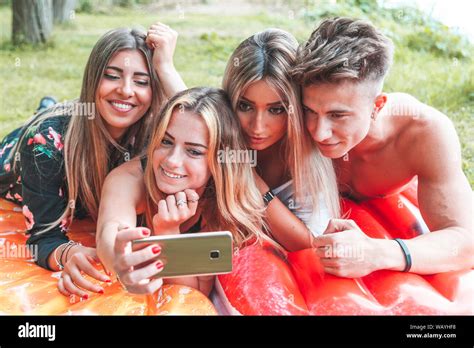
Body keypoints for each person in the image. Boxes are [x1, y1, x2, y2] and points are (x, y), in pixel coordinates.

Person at [0, 22, 186, 299]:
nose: (125, 90)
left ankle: (45, 103)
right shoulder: (46, 142)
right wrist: (68, 252)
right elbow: (44, 238)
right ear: (92, 80)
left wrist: (167, 68)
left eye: (141, 81)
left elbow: (204, 126)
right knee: (42, 120)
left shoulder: (156, 131)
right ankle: (43, 108)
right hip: (15, 152)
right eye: (112, 76)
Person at [291, 17, 473, 277]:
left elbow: (465, 243)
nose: (319, 132)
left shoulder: (423, 133)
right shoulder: (290, 117)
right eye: (309, 110)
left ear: (377, 106)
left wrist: (376, 253)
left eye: (338, 115)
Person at [96, 87, 272, 296]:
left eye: (194, 151)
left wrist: (169, 234)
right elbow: (110, 231)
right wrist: (121, 263)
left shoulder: (220, 204)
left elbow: (193, 295)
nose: (172, 160)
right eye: (166, 141)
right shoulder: (128, 180)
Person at [222, 29, 340, 251]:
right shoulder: (218, 132)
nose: (257, 126)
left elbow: (312, 244)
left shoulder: (307, 154)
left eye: (276, 110)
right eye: (245, 106)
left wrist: (254, 183)